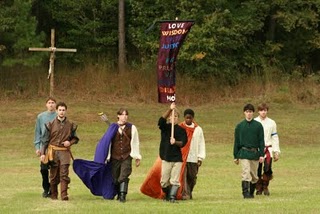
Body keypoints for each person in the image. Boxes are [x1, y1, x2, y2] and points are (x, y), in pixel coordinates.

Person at [40, 102, 79, 201]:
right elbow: (44, 140)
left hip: (64, 152)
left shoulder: (71, 125)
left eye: (63, 110)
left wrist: (69, 142)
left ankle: (64, 195)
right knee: (53, 175)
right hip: (52, 153)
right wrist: (43, 153)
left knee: (64, 174)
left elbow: (75, 138)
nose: (61, 112)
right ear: (56, 111)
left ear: (66, 111)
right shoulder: (50, 124)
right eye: (60, 110)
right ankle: (53, 195)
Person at [233, 104, 265, 199]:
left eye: (250, 112)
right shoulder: (239, 126)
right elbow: (237, 141)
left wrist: (262, 154)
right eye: (247, 112)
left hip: (254, 153)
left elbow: (261, 141)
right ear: (244, 113)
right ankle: (245, 193)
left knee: (254, 176)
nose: (249, 114)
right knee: (246, 172)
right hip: (244, 153)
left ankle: (251, 192)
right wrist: (235, 155)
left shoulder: (258, 126)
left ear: (253, 113)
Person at [158, 102, 187, 203]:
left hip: (177, 159)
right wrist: (170, 109)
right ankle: (167, 195)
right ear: (169, 118)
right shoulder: (165, 127)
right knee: (164, 182)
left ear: (178, 118)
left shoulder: (181, 130)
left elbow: (183, 142)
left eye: (175, 116)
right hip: (166, 157)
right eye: (171, 116)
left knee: (174, 180)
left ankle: (172, 197)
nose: (173, 118)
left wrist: (175, 142)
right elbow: (160, 121)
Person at [254, 103, 281, 196]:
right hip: (257, 149)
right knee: (257, 169)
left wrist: (276, 151)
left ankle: (265, 186)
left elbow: (274, 137)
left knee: (267, 168)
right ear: (258, 111)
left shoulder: (272, 122)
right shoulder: (254, 122)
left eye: (265, 110)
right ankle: (258, 188)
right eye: (261, 110)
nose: (263, 112)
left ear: (267, 111)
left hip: (268, 148)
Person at [179, 108, 206, 200]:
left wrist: (200, 157)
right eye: (186, 118)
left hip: (193, 157)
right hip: (183, 157)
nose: (188, 120)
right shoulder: (180, 128)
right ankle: (185, 194)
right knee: (183, 176)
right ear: (184, 118)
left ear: (193, 118)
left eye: (190, 118)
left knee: (192, 177)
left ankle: (190, 191)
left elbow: (201, 143)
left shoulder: (198, 129)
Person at [33, 97, 57, 198]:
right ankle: (46, 188)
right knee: (43, 169)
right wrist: (37, 147)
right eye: (49, 103)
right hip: (44, 146)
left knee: (55, 169)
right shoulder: (41, 117)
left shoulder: (59, 115)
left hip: (56, 146)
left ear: (55, 105)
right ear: (46, 104)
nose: (51, 105)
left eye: (53, 103)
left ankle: (52, 189)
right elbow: (37, 132)